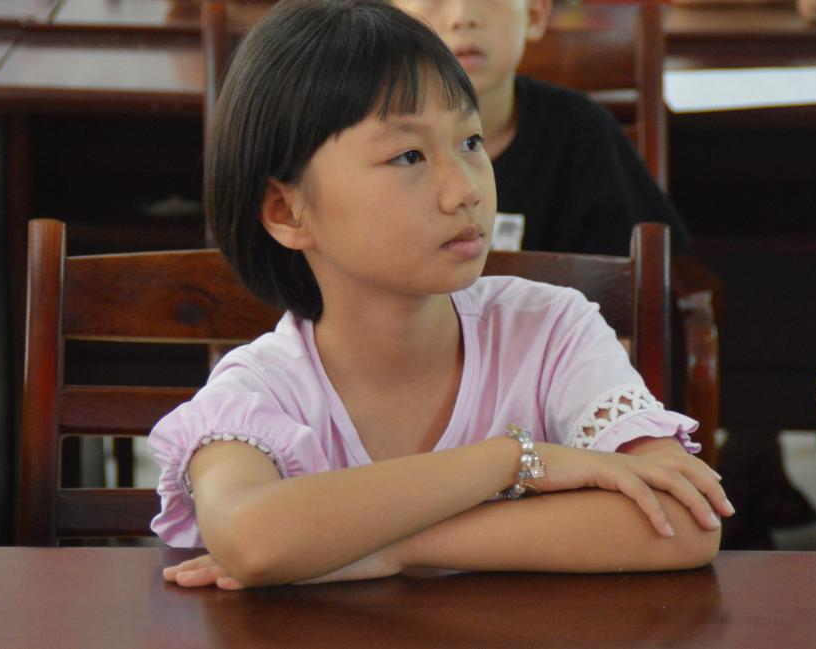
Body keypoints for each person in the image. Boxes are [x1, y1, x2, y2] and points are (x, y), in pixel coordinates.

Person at [151, 0, 732, 590]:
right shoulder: (260, 391)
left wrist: (395, 548)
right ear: (286, 210)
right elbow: (251, 539)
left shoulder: (550, 330)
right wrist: (512, 460)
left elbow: (688, 519)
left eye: (471, 142)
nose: (465, 190)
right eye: (409, 155)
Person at [390, 0, 691, 256]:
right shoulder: (372, 139)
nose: (462, 17)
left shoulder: (582, 130)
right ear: (390, 18)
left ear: (534, 14)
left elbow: (651, 277)